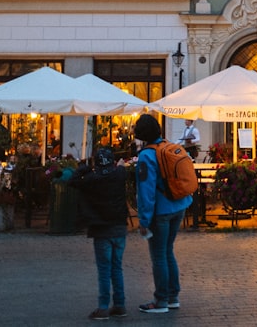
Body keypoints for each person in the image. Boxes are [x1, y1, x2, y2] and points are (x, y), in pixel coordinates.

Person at [133, 114, 193, 314]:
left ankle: (161, 301)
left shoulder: (146, 155)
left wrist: (144, 220)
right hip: (179, 205)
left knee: (159, 255)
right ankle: (173, 297)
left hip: (161, 211)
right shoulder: (167, 146)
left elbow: (146, 191)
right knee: (168, 251)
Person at [71, 147, 129, 320]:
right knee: (116, 268)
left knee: (104, 269)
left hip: (101, 229)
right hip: (119, 228)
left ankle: (103, 307)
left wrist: (83, 168)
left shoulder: (91, 179)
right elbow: (122, 168)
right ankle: (119, 305)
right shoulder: (119, 175)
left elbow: (73, 181)